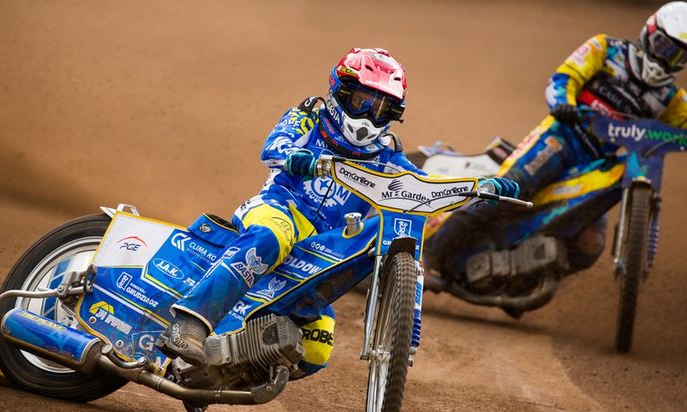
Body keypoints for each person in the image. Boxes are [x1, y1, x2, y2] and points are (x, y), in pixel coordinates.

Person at [155, 48, 518, 374]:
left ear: (392, 114)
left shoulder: (386, 153)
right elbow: (274, 146)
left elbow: (420, 185)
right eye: (361, 100)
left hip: (322, 245)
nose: (368, 115)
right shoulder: (307, 117)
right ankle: (190, 324)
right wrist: (298, 158)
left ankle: (221, 371)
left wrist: (480, 187)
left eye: (380, 108)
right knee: (271, 237)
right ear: (340, 92)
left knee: (317, 346)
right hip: (277, 208)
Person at [425, 2, 687, 278]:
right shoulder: (607, 50)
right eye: (664, 47)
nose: (666, 60)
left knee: (589, 245)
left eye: (678, 56)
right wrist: (563, 103)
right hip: (561, 138)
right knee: (508, 191)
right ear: (649, 33)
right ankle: (431, 257)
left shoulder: (672, 99)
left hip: (599, 164)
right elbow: (563, 78)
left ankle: (520, 276)